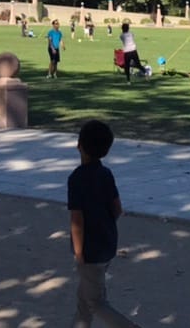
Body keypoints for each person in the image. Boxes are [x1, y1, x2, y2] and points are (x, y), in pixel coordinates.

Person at [68, 119, 141, 328]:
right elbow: (117, 209)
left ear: (79, 145)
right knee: (85, 297)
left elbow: (77, 219)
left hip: (89, 252)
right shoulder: (106, 174)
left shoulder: (76, 179)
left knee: (96, 303)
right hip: (107, 244)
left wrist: (79, 252)